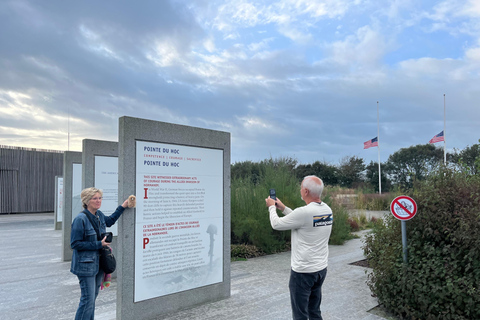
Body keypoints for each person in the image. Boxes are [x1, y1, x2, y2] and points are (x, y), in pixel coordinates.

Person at [265, 175, 333, 320]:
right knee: (314, 311)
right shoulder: (327, 210)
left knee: (300, 314)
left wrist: (271, 207)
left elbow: (276, 224)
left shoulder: (304, 212)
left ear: (306, 191)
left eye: (301, 187)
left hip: (303, 273)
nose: (300, 190)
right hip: (320, 270)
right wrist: (283, 208)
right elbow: (303, 221)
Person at [70, 187, 130, 320]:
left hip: (98, 264)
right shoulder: (80, 219)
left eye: (100, 198)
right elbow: (74, 244)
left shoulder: (99, 215)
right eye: (94, 198)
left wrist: (123, 206)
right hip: (85, 266)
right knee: (87, 300)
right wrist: (99, 244)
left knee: (92, 299)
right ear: (86, 201)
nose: (98, 201)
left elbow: (110, 221)